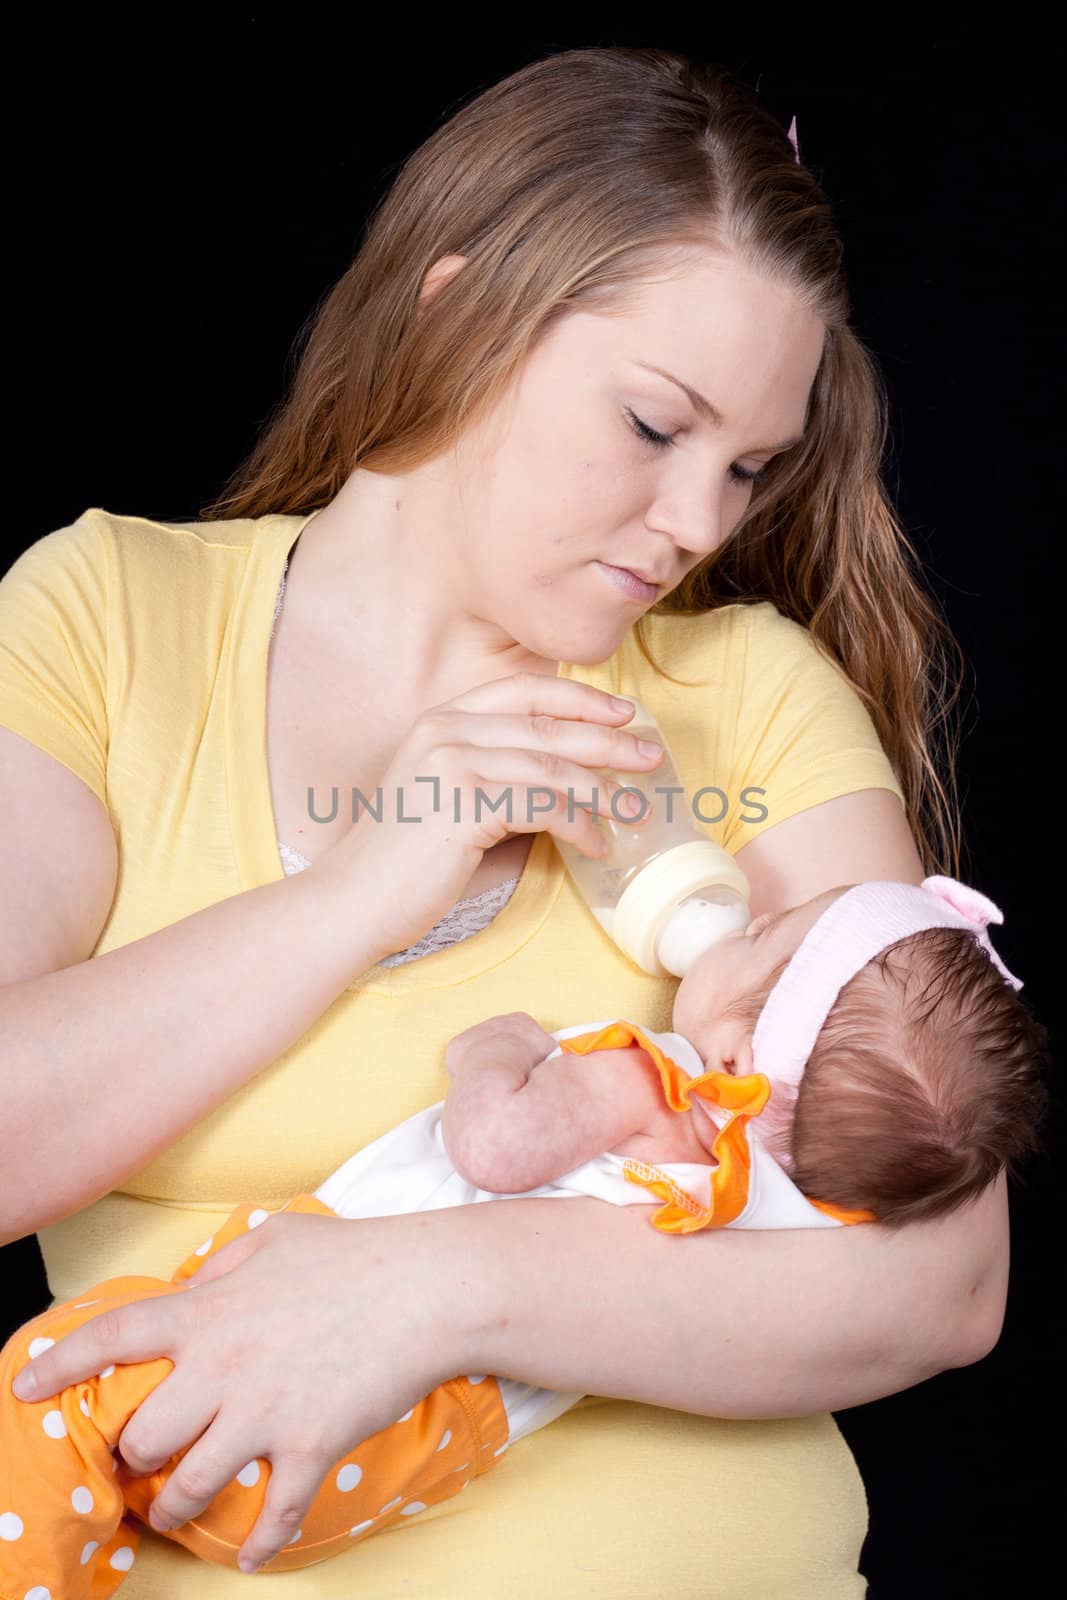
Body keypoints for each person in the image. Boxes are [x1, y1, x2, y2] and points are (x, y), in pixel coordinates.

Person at [0, 43, 1020, 1598]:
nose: (696, 527)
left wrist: (437, 1288)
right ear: (456, 308)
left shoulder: (739, 690)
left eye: (747, 467)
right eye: (650, 426)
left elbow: (942, 1276)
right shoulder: (107, 620)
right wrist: (367, 881)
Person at [0, 876, 1049, 1593]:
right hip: (415, 1451)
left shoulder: (658, 1081)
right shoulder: (783, 1208)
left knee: (50, 1393)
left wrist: (493, 1050)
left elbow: (498, 1148)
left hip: (320, 1373)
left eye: (764, 936)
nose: (746, 917)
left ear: (740, 1039)